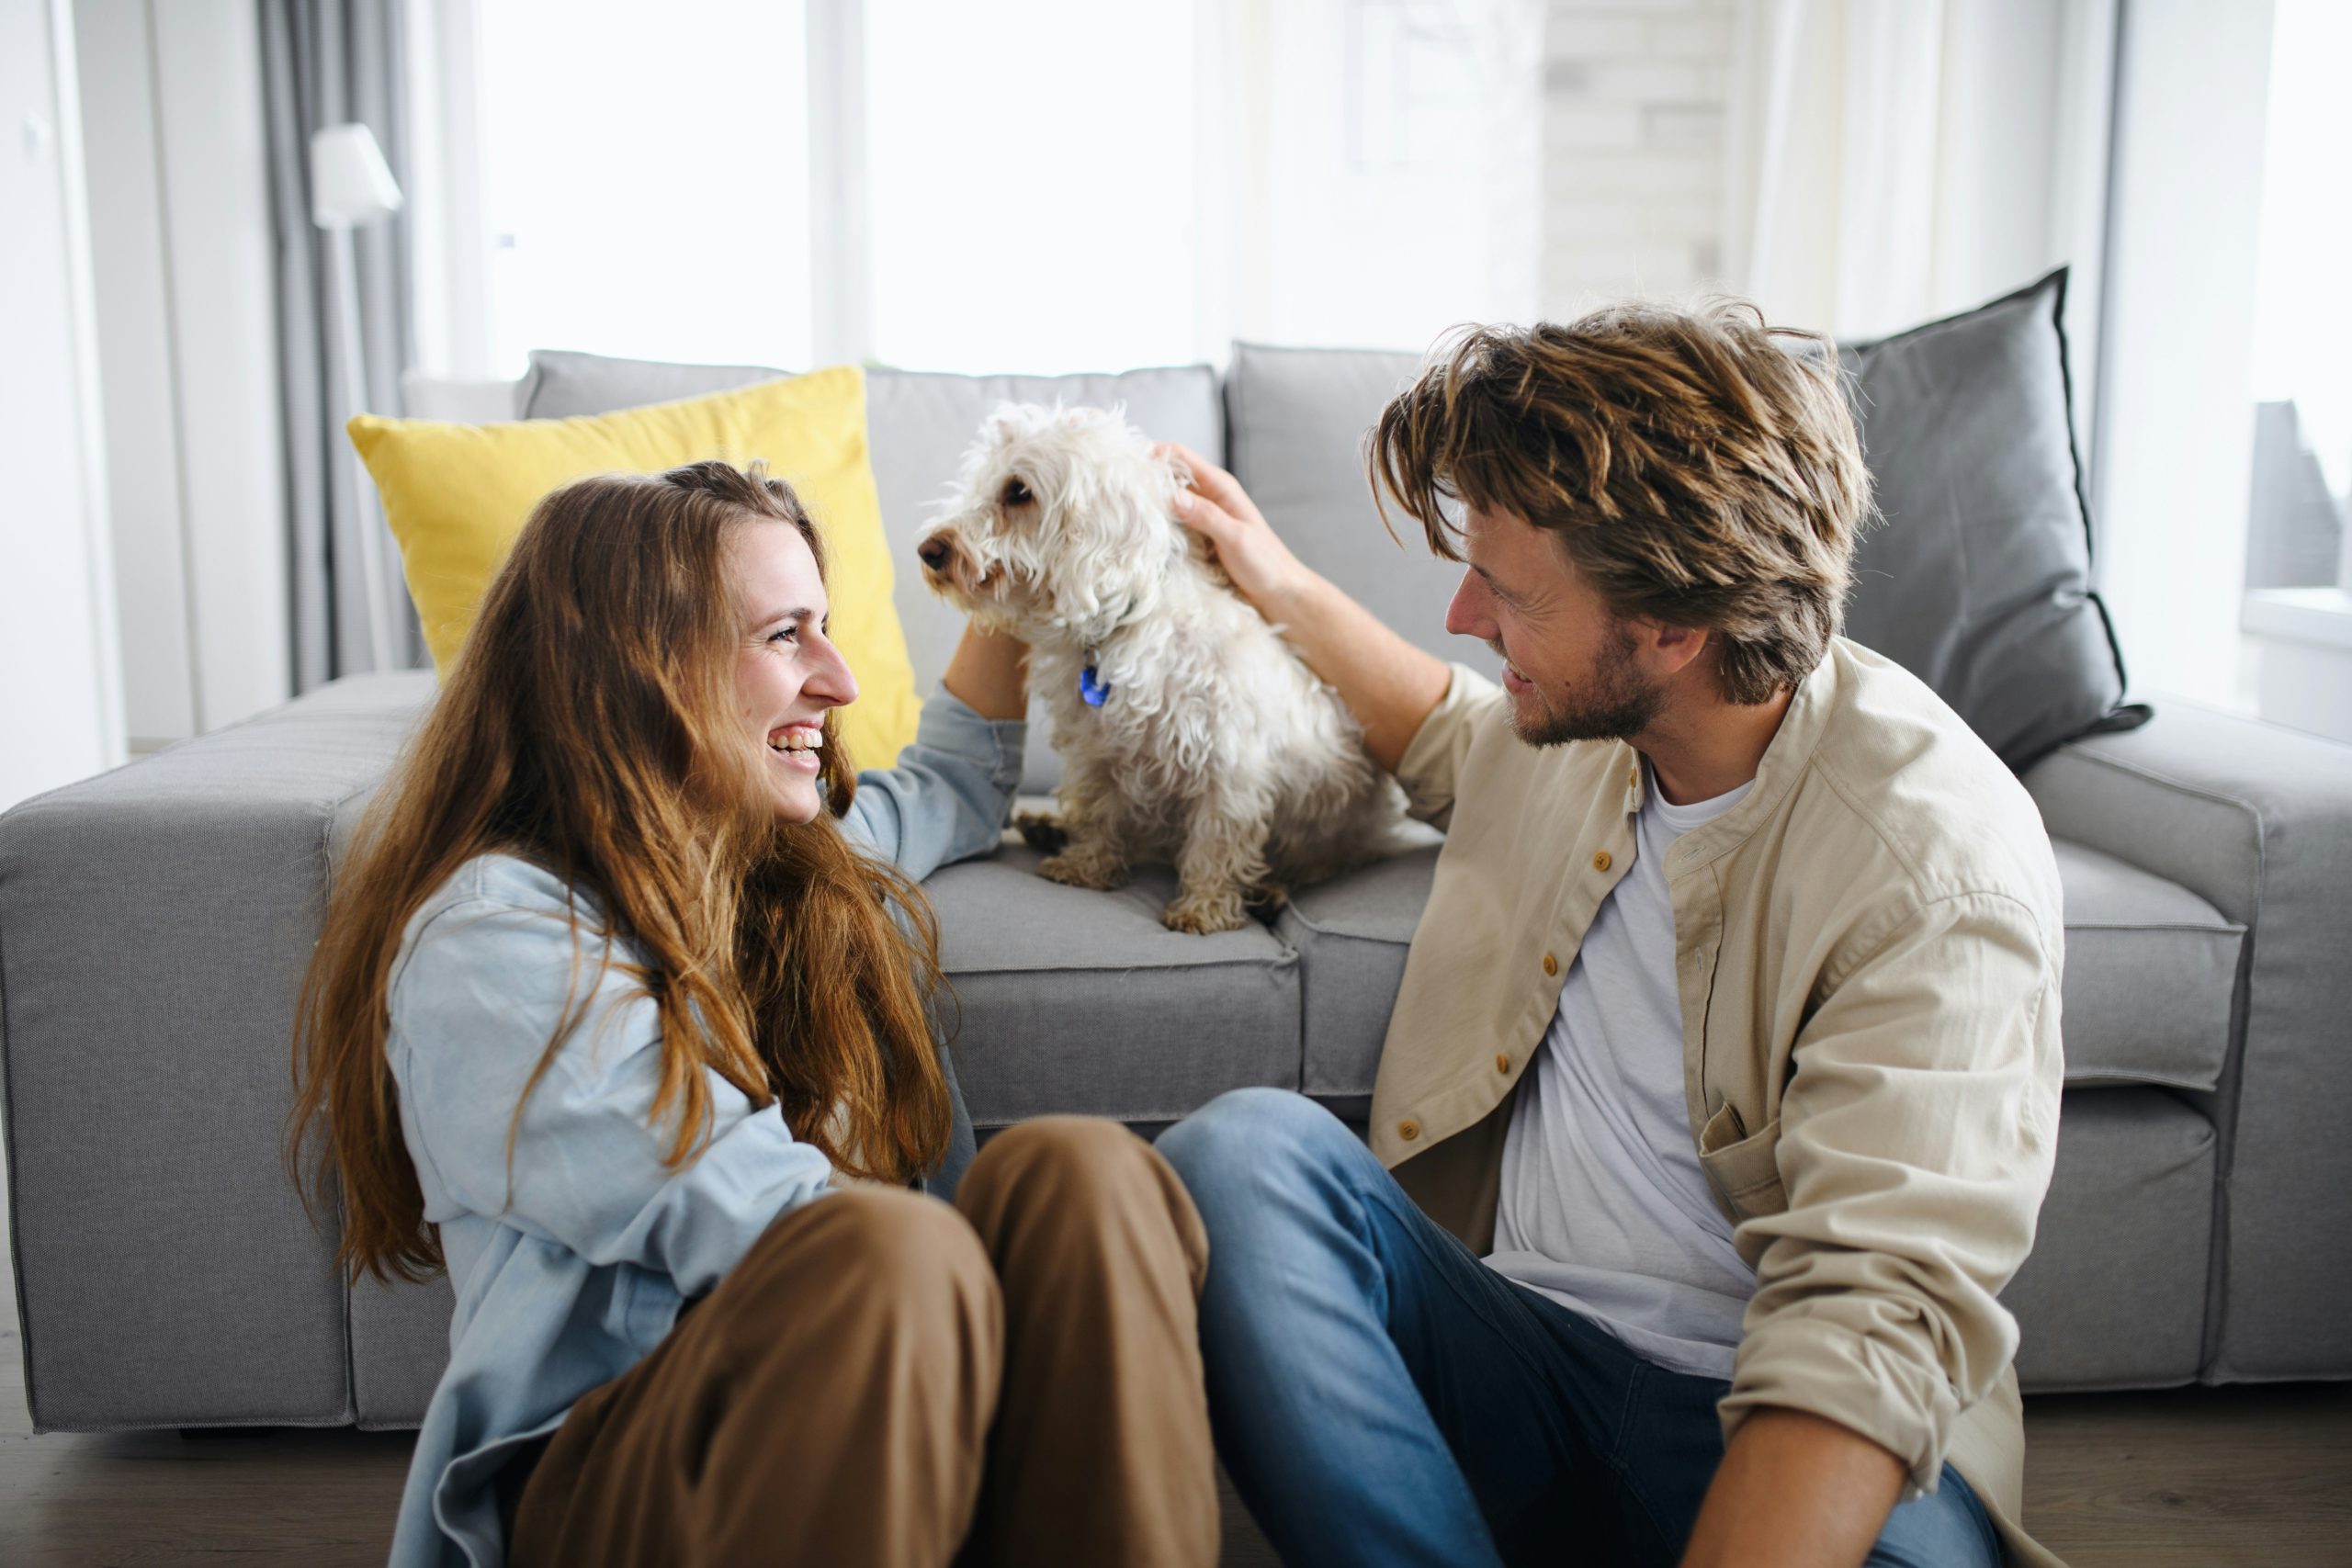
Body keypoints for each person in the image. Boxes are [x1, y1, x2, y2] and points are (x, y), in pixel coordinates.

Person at [1154, 303, 2065, 1568]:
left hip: (1780, 1432)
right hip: (1526, 1359)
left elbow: (1871, 1324)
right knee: (1239, 1154)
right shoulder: (1581, 735)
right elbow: (1438, 731)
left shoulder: (1935, 865)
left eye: (1510, 592)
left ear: (1672, 625)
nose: (1466, 614)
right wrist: (1271, 573)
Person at [287, 460, 1216, 1568]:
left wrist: (1030, 545)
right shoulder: (495, 941)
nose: (839, 680)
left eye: (824, 631)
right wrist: (1035, 1333)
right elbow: (747, 1219)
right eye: (785, 637)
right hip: (625, 1475)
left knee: (1085, 1180)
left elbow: (954, 787)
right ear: (635, 667)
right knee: (878, 1250)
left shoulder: (795, 864)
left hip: (894, 1403)